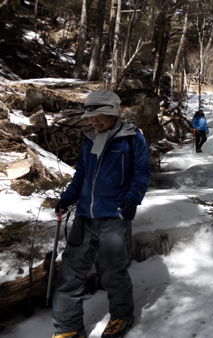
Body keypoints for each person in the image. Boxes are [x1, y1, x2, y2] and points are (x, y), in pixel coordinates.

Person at [51, 90, 152, 338]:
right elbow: (81, 175)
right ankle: (68, 328)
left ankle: (121, 316)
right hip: (85, 216)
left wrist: (132, 199)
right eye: (90, 117)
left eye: (98, 116)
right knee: (70, 274)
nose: (93, 121)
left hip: (114, 217)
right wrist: (68, 197)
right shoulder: (90, 139)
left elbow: (142, 173)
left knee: (112, 272)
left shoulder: (131, 138)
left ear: (113, 112)